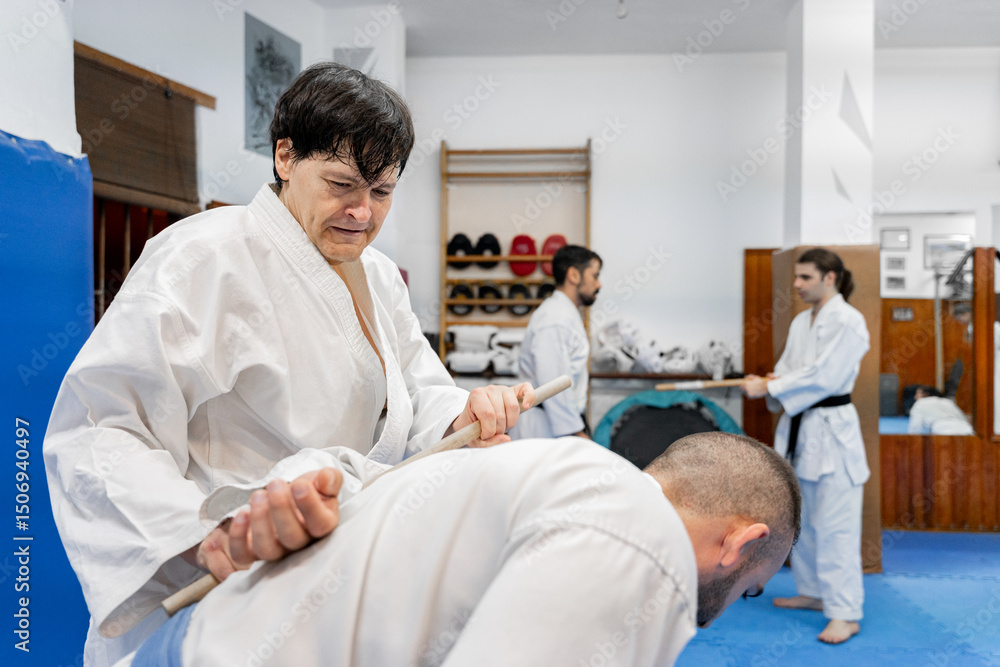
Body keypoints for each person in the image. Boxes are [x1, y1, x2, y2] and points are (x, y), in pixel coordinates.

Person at [42, 63, 534, 666]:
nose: (362, 213)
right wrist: (202, 536)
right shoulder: (203, 257)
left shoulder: (378, 276)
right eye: (342, 184)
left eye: (382, 193)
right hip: (227, 577)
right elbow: (103, 427)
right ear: (284, 157)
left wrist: (463, 413)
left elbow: (415, 385)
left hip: (341, 572)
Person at [125, 432, 800, 667]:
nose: (731, 601)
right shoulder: (643, 538)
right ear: (744, 541)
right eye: (748, 587)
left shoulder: (567, 473)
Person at [741, 247, 870, 645]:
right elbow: (794, 369)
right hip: (802, 432)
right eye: (796, 278)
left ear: (830, 278)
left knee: (836, 529)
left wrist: (773, 386)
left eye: (805, 278)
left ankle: (845, 613)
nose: (796, 285)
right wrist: (772, 381)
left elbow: (825, 376)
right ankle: (814, 592)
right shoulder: (801, 322)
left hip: (832, 436)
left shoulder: (849, 321)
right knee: (805, 523)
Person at [510, 245, 601, 439]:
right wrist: (575, 432)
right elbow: (552, 382)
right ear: (574, 275)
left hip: (554, 423)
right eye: (595, 275)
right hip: (545, 426)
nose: (599, 284)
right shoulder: (555, 318)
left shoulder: (564, 314)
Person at [908, 385, 974, 435]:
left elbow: (915, 428)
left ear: (926, 394)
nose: (915, 397)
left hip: (942, 430)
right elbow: (962, 418)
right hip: (965, 428)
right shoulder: (947, 402)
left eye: (917, 394)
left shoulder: (920, 403)